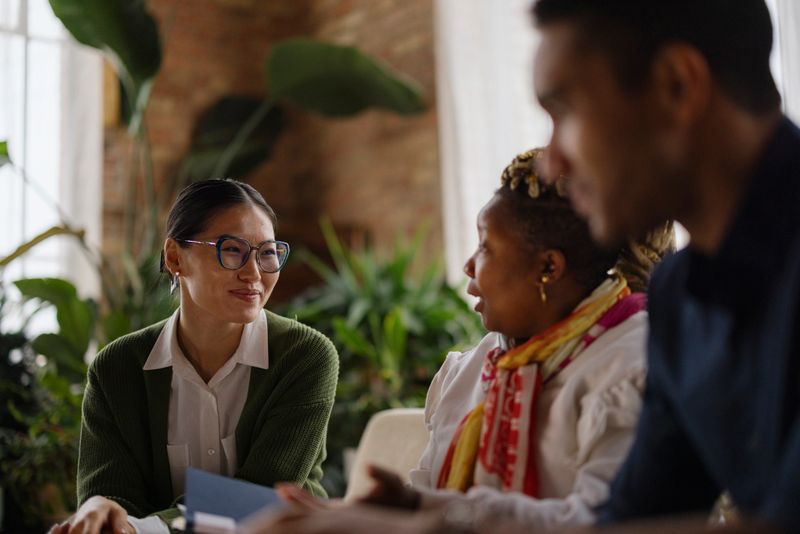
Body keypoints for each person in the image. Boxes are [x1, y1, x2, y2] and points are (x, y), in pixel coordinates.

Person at [273, 149, 674, 532]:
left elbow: (608, 524)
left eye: (485, 246)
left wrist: (430, 515)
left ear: (548, 267)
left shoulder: (634, 366)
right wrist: (398, 508)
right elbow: (428, 494)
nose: (469, 265)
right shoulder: (471, 369)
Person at [530, 0, 800, 530]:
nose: (551, 163)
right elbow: (634, 519)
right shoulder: (677, 295)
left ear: (677, 86)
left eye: (566, 111)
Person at [50, 180, 339, 534]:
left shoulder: (304, 356)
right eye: (231, 250)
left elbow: (262, 497)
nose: (253, 273)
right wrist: (101, 511)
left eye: (267, 253)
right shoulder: (117, 368)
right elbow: (111, 495)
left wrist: (143, 528)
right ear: (175, 257)